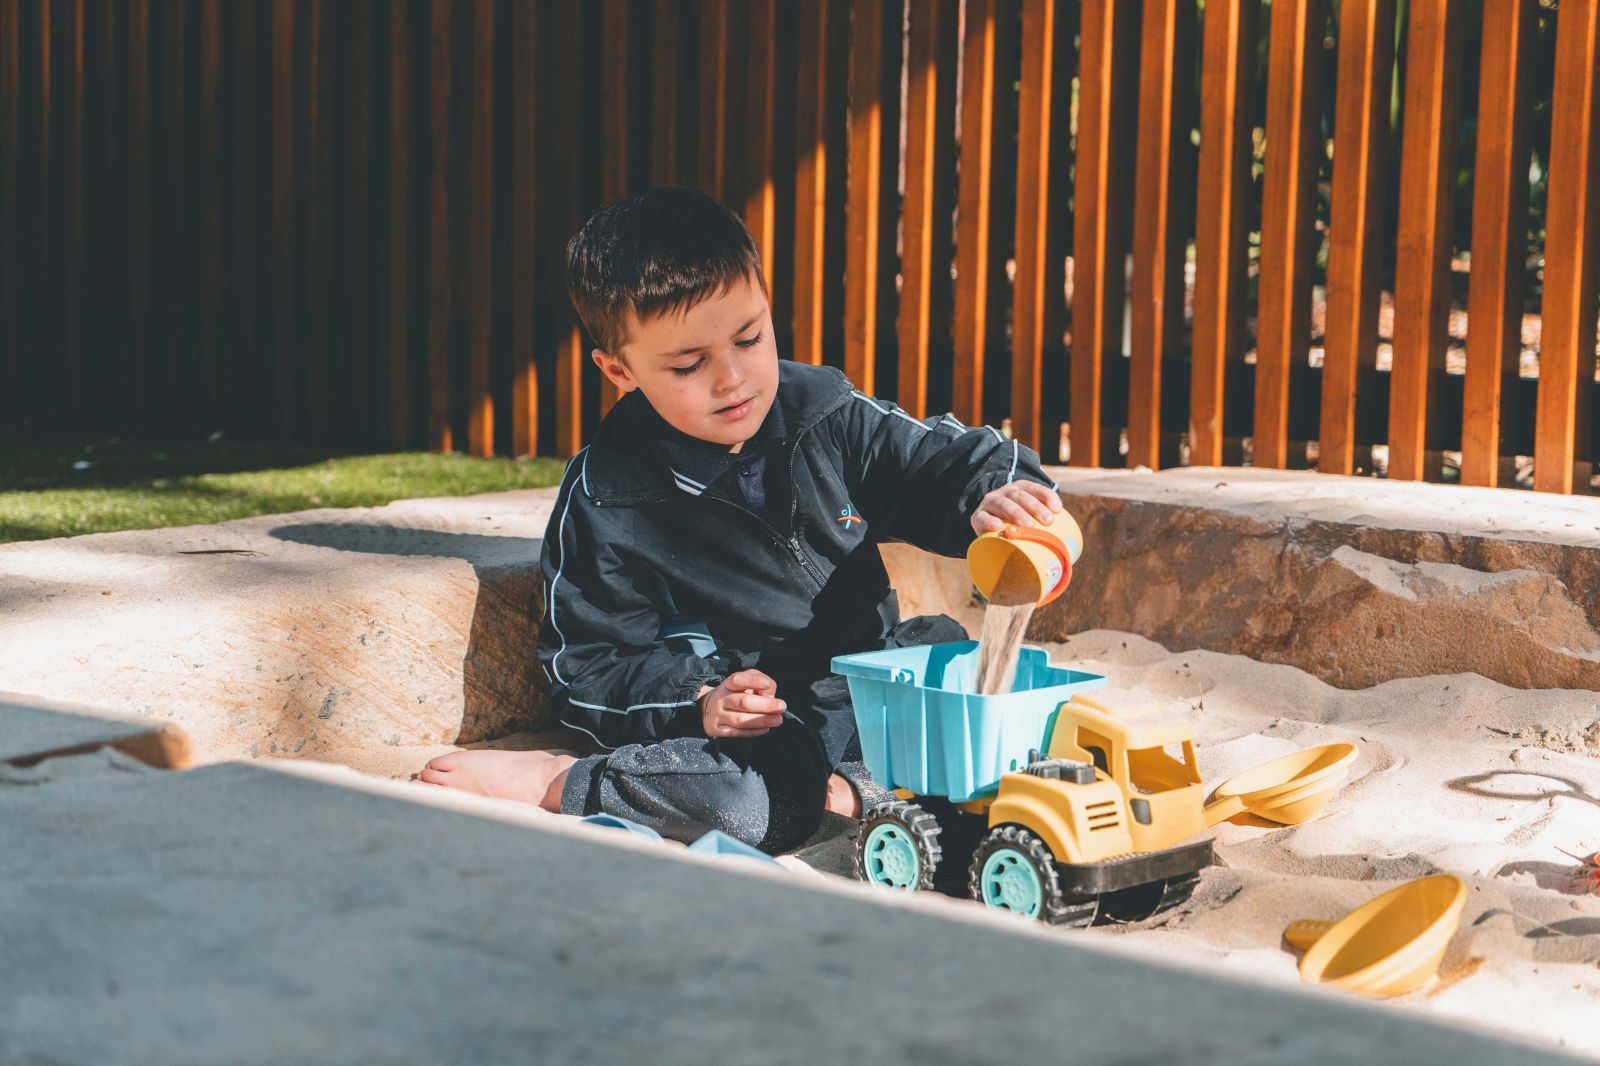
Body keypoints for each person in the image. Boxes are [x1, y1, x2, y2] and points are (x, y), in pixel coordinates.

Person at [415, 187, 1061, 853]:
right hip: (746, 728)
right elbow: (588, 665)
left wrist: (998, 491)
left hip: (862, 688)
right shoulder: (609, 495)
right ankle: (565, 782)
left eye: (749, 338)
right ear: (619, 369)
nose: (733, 379)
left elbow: (934, 459)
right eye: (689, 364)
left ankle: (847, 791)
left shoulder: (824, 414)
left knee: (991, 720)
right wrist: (700, 696)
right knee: (748, 805)